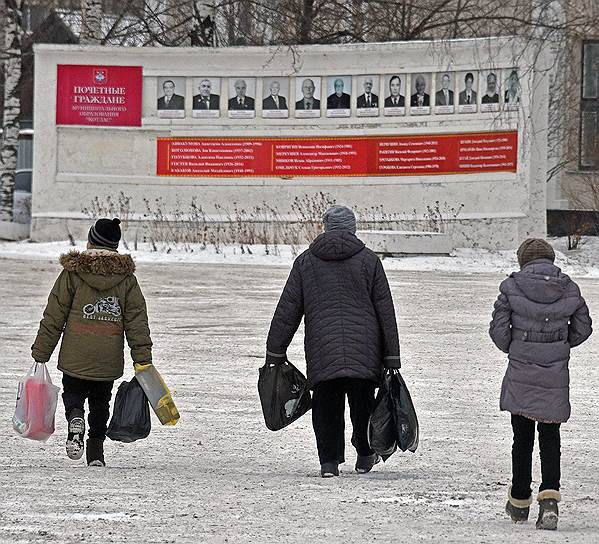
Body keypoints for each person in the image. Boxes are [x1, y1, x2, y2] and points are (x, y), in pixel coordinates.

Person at [266, 206, 401, 478]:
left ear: (325, 227)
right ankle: (365, 455)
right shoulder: (369, 261)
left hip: (322, 349)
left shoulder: (306, 262)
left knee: (326, 403)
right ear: (353, 228)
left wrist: (275, 349)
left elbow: (288, 309)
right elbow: (385, 309)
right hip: (365, 349)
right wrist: (391, 355)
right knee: (363, 403)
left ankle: (329, 463)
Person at [31, 218, 153, 467]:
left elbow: (54, 315)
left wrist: (41, 351)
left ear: (91, 241)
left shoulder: (72, 273)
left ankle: (75, 417)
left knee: (73, 392)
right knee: (101, 400)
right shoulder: (127, 279)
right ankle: (96, 450)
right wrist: (142, 358)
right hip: (107, 355)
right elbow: (136, 321)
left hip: (75, 353)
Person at [489, 239, 592, 530]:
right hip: (554, 373)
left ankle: (520, 500)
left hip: (521, 370)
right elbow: (583, 328)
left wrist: (516, 347)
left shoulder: (510, 288)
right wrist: (560, 344)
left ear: (523, 261)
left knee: (521, 439)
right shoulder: (569, 288)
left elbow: (498, 332)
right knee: (550, 438)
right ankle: (549, 501)